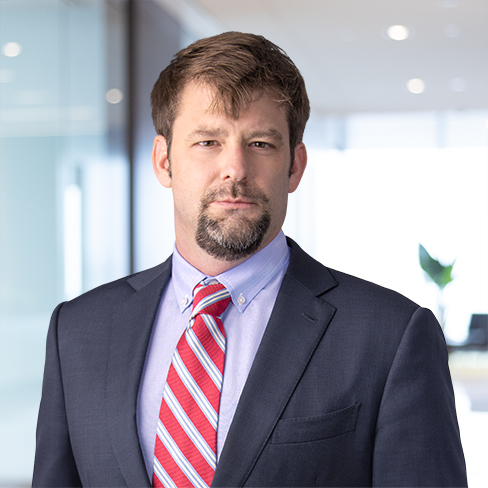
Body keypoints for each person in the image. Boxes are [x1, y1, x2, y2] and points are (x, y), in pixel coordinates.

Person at [32, 32, 467, 488]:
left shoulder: (389, 335)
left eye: (260, 143)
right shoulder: (77, 331)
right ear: (164, 162)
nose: (235, 168)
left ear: (295, 166)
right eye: (208, 142)